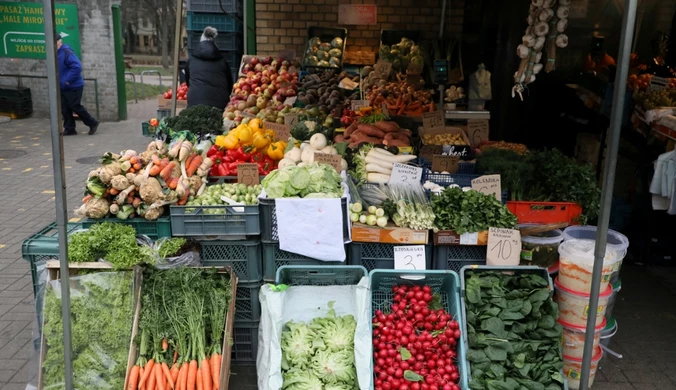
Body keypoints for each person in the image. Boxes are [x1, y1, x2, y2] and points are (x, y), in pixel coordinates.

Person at [56, 33, 99, 136]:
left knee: (75, 106)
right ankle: (70, 128)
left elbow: (77, 67)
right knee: (65, 108)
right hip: (63, 86)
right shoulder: (57, 53)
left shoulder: (67, 52)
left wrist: (67, 81)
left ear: (59, 42)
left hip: (73, 86)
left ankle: (92, 123)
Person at [185, 27, 234, 110]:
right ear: (214, 43)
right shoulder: (223, 62)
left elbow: (188, 82)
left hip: (194, 105)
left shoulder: (191, 61)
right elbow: (229, 85)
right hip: (220, 106)